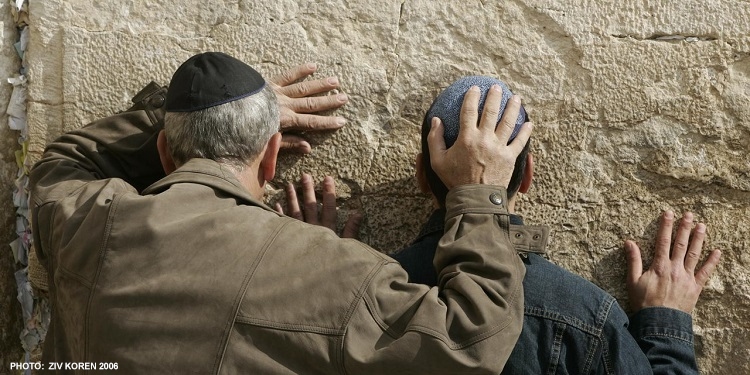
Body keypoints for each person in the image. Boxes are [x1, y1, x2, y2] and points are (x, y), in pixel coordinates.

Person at [30, 52, 531, 373]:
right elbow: (469, 342)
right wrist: (477, 191)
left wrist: (193, 112)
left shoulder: (86, 221)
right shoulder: (331, 272)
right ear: (272, 154)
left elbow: (63, 161)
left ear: (164, 150)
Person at [387, 76, 722, 374]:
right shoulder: (588, 318)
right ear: (528, 174)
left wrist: (335, 266)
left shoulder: (366, 292)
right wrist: (665, 324)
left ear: (421, 175)